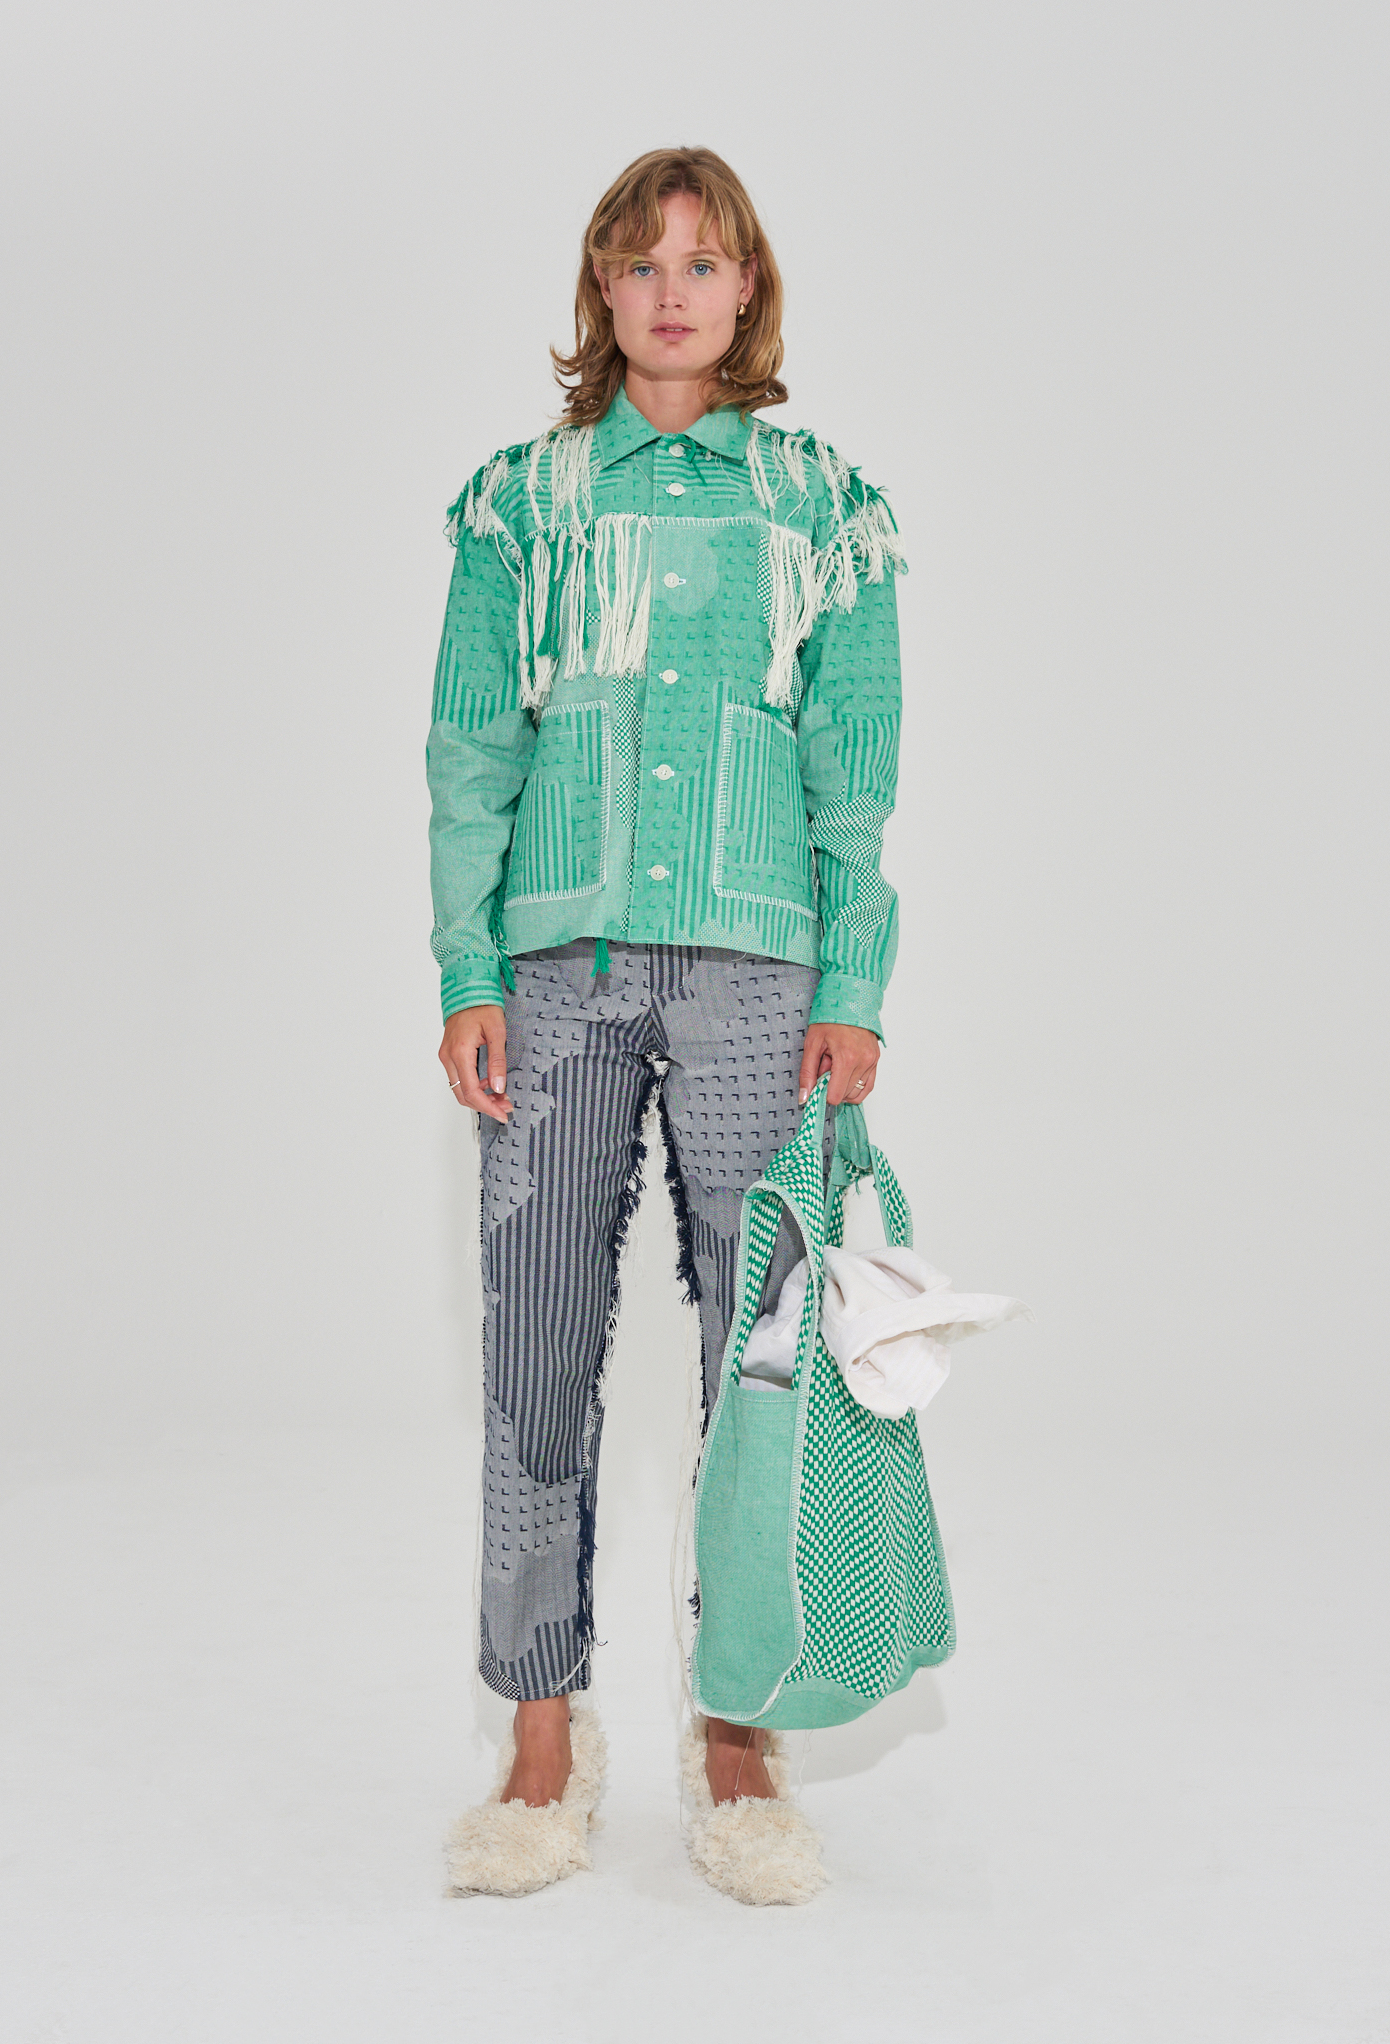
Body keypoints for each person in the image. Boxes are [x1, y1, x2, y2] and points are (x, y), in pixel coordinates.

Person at [427, 146, 907, 1902]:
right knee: (536, 1350)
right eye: (643, 263)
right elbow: (470, 749)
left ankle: (739, 1727)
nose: (675, 291)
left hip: (760, 976)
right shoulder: (521, 502)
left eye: (705, 263)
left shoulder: (821, 503)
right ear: (604, 290)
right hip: (557, 976)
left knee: (762, 1365)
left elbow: (856, 764)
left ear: (748, 288)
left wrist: (854, 986)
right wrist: (468, 971)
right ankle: (540, 1732)